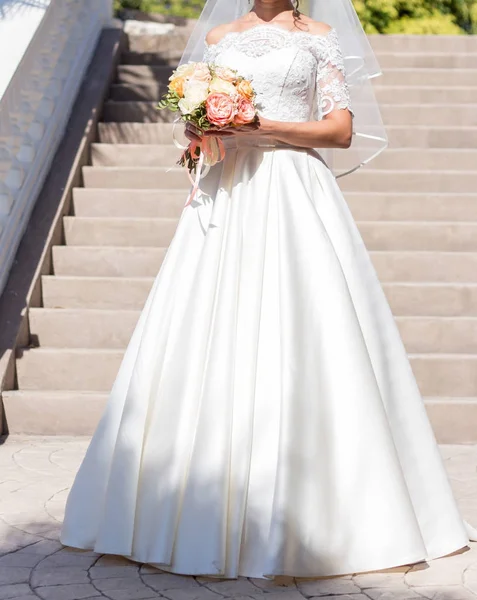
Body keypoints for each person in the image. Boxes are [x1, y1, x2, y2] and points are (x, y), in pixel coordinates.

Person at [60, 0, 476, 580]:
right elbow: (194, 124)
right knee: (206, 338)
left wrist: (261, 128)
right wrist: (200, 131)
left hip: (293, 192)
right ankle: (178, 513)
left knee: (304, 335)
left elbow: (342, 130)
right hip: (224, 197)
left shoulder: (320, 37)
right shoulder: (222, 39)